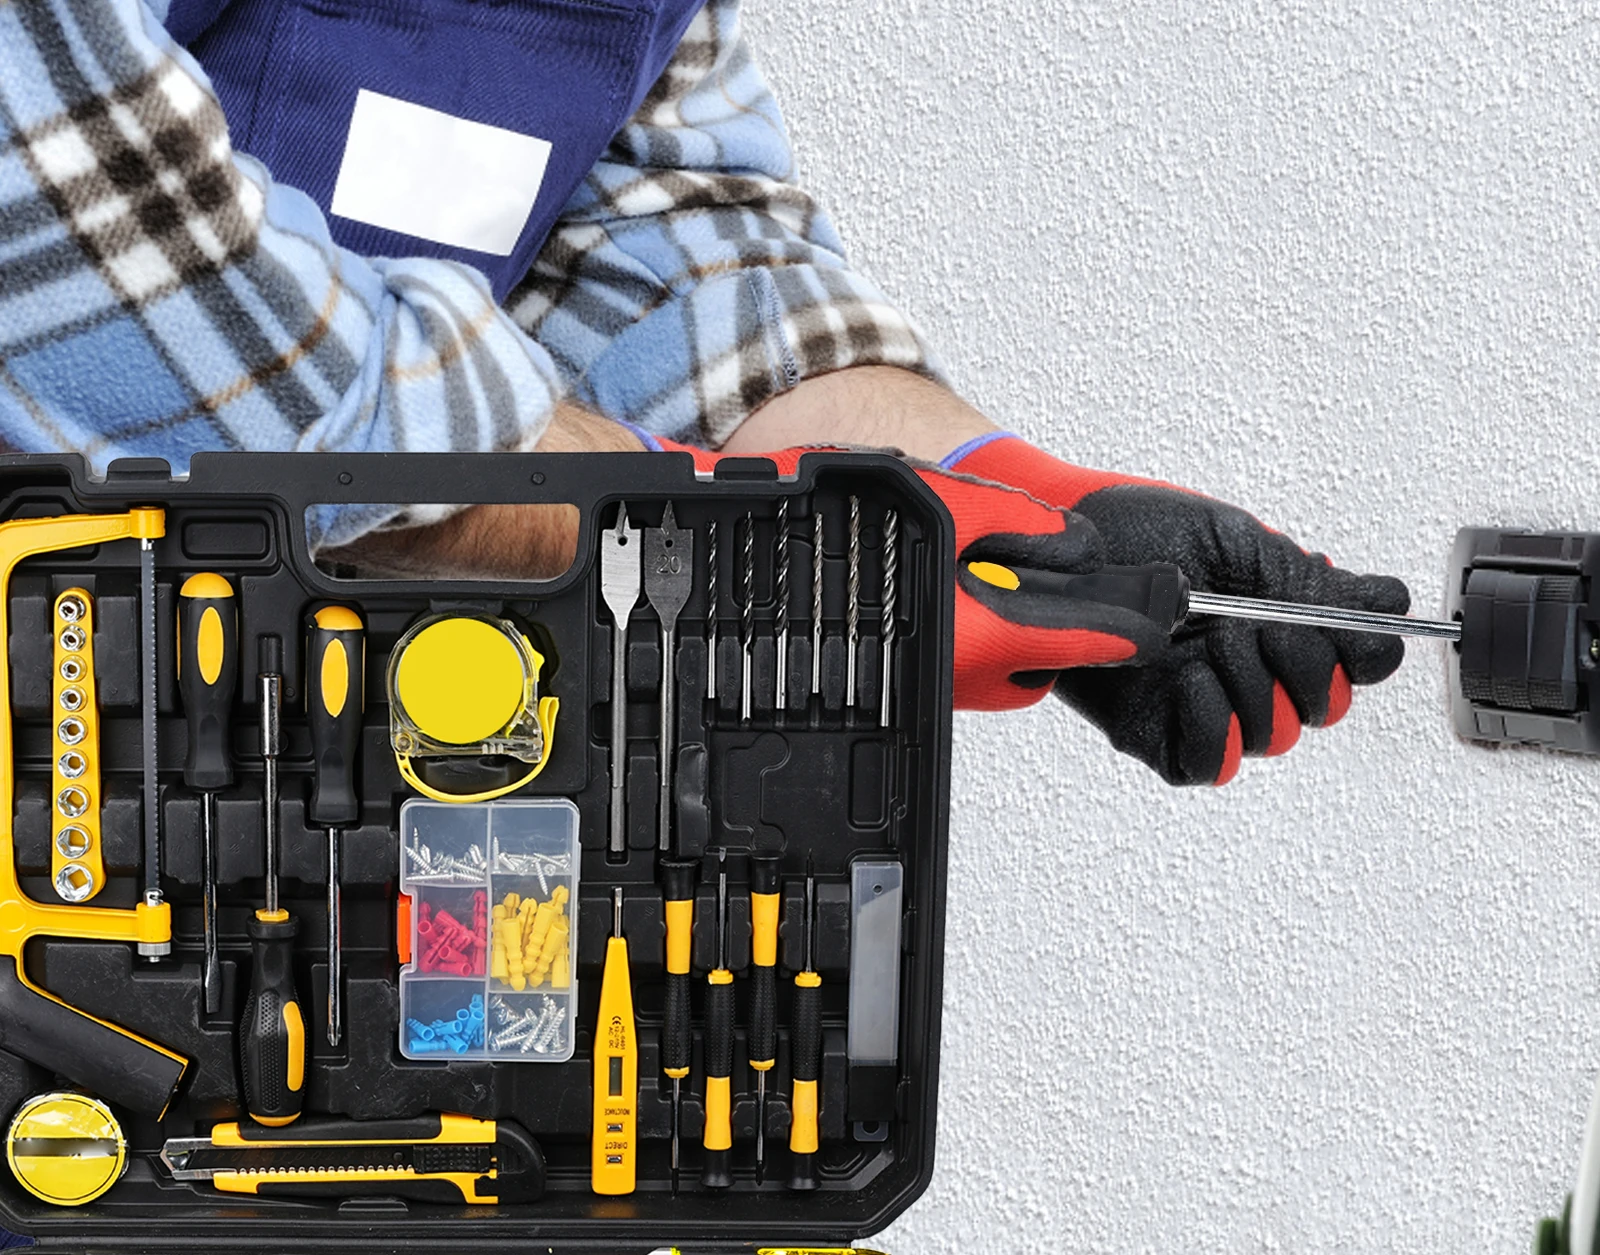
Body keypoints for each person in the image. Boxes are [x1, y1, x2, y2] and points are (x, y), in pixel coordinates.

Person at [0, 0, 1409, 784]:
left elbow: (679, 251)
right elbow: (112, 297)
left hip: (224, 788)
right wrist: (783, 563)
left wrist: (1023, 501)